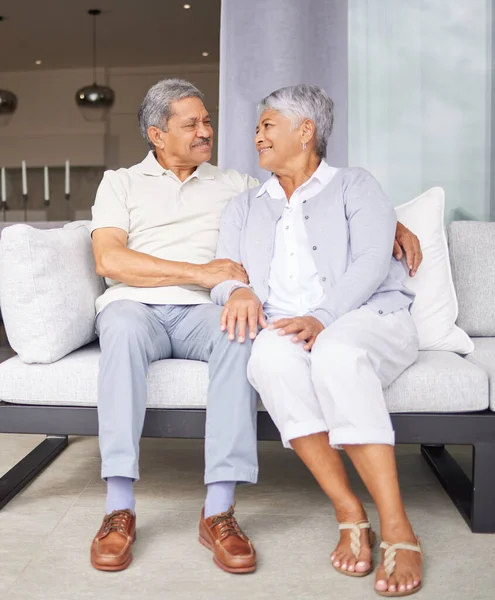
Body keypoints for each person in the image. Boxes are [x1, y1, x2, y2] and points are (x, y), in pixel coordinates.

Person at [89, 78, 422, 575]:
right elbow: (108, 258)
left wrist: (389, 221)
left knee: (242, 336)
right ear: (157, 135)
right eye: (192, 124)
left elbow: (303, 195)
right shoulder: (121, 182)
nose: (208, 131)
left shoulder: (237, 187)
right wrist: (207, 275)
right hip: (136, 305)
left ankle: (219, 511)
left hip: (207, 312)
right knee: (120, 327)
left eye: (208, 120)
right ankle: (119, 506)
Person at [212, 84, 423, 596]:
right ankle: (350, 512)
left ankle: (397, 526)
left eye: (267, 125)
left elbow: (373, 261)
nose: (256, 134)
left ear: (305, 131)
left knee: (336, 352)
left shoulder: (355, 185)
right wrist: (237, 290)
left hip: (367, 317)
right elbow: (223, 272)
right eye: (258, 126)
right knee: (265, 359)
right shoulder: (245, 205)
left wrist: (324, 317)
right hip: (287, 324)